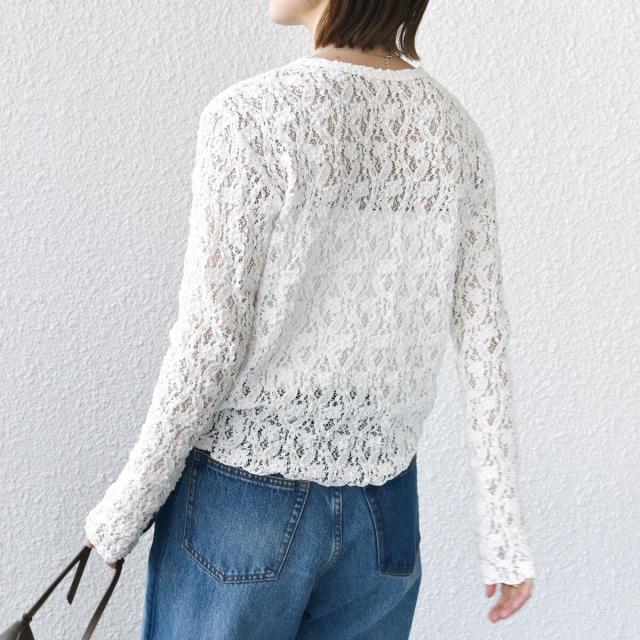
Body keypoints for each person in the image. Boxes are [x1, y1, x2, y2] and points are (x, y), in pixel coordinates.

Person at [83, 0, 537, 636]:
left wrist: (126, 508)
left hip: (243, 500)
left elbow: (211, 342)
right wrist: (503, 532)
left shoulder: (250, 116)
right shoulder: (455, 133)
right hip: (385, 509)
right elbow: (484, 339)